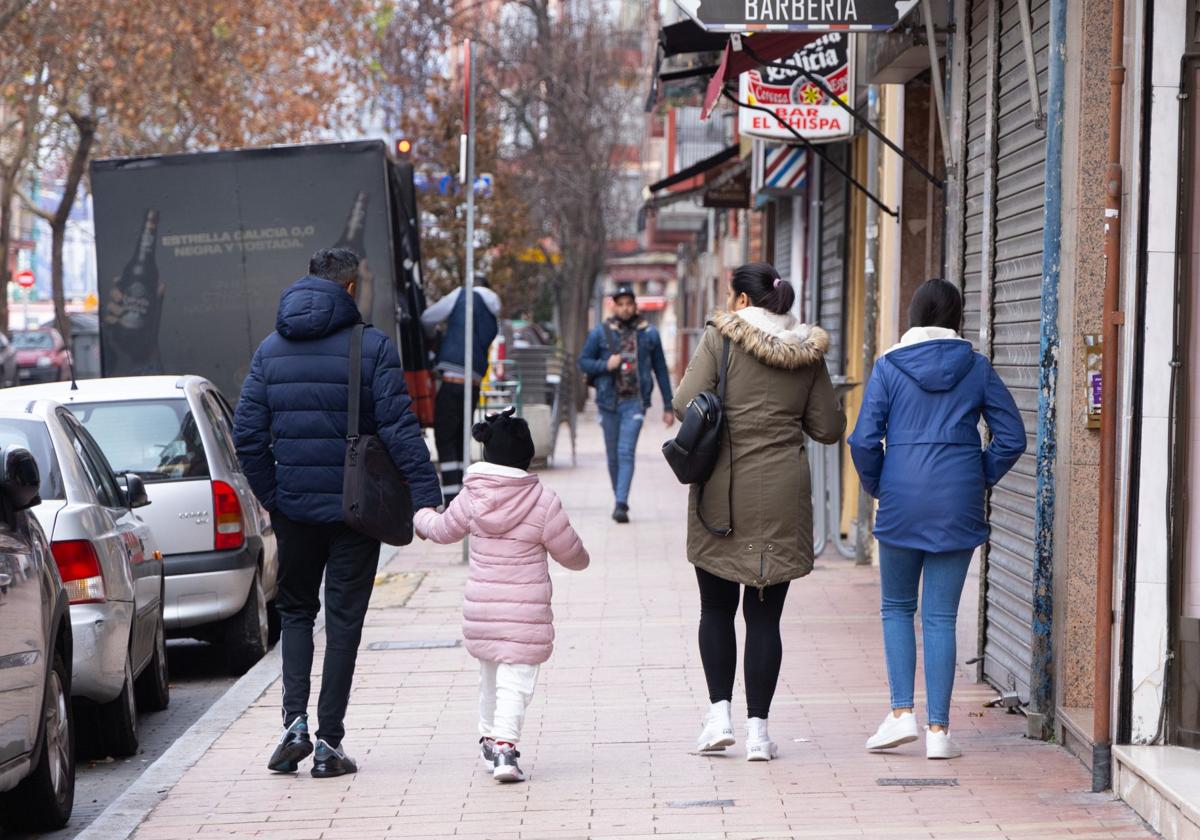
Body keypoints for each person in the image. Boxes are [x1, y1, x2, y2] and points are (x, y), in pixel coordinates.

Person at [234, 247, 442, 778]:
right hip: (357, 512)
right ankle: (328, 743)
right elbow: (399, 428)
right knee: (344, 622)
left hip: (295, 511)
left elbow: (249, 436)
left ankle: (292, 726)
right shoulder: (370, 347)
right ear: (350, 289)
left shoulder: (268, 350)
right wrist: (426, 496)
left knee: (297, 613)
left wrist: (274, 497)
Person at [674, 262, 844, 762]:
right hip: (783, 496)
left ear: (742, 301)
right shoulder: (807, 353)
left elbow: (686, 400)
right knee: (766, 619)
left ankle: (718, 717)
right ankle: (759, 734)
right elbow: (829, 427)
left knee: (716, 608)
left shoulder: (720, 340)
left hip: (722, 494)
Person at [849, 278, 1025, 760]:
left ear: (913, 314)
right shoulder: (977, 367)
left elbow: (864, 440)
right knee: (941, 616)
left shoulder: (888, 367)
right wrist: (977, 475)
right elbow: (1011, 438)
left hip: (902, 497)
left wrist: (879, 485)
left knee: (897, 608)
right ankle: (940, 732)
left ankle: (901, 714)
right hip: (958, 499)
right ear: (956, 318)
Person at [414, 408, 589, 784]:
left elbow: (443, 529)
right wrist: (583, 558)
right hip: (524, 618)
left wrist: (421, 518)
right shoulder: (542, 501)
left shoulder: (471, 497)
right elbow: (571, 554)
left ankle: (490, 738)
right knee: (516, 681)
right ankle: (506, 750)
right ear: (527, 458)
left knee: (490, 676)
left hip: (484, 611)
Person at [577, 285, 674, 523]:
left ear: (635, 305)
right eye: (620, 304)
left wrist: (669, 407)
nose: (625, 308)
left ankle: (621, 503)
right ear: (614, 306)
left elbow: (660, 369)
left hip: (635, 402)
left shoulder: (649, 333)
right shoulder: (600, 333)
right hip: (608, 401)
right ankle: (618, 495)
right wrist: (605, 365)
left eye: (629, 303)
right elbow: (584, 362)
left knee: (626, 451)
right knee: (612, 456)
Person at [421, 273, 502, 501]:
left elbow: (427, 317)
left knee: (445, 438)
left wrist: (434, 337)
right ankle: (460, 498)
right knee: (460, 439)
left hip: (452, 380)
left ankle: (451, 499)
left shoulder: (462, 295)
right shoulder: (493, 310)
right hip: (473, 382)